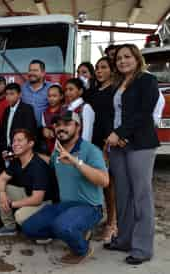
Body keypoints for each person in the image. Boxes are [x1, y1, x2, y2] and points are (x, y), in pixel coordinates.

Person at [22, 111, 109, 264]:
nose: (61, 128)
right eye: (58, 125)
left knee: (62, 227)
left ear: (78, 127)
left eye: (67, 124)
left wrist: (76, 162)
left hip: (90, 207)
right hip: (65, 206)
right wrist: (28, 153)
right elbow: (51, 162)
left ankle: (82, 249)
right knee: (29, 228)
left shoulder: (90, 150)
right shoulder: (57, 152)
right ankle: (76, 230)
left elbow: (104, 181)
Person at [104, 44, 160, 265]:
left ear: (137, 59)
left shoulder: (147, 80)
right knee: (123, 194)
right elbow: (115, 113)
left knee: (141, 196)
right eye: (118, 58)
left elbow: (144, 113)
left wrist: (121, 133)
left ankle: (143, 248)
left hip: (141, 145)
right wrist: (116, 135)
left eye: (127, 57)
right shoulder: (117, 83)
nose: (122, 61)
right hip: (118, 145)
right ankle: (124, 239)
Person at [0, 129, 52, 236]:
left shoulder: (38, 165)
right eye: (14, 141)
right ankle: (10, 227)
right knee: (3, 188)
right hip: (28, 195)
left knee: (20, 216)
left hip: (45, 203)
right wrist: (3, 194)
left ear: (30, 144)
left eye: (19, 140)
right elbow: (1, 179)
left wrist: (11, 204)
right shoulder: (17, 160)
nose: (15, 144)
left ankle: (46, 231)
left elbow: (37, 199)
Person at [86, 57, 117, 242]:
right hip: (94, 142)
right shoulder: (93, 92)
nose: (98, 71)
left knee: (110, 185)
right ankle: (100, 220)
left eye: (103, 67)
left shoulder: (116, 91)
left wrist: (107, 144)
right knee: (96, 184)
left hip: (109, 142)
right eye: (97, 67)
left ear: (112, 70)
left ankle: (112, 223)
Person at [0, 83, 37, 162]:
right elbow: (3, 132)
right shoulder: (6, 110)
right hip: (8, 152)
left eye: (12, 94)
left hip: (22, 152)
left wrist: (18, 151)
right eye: (7, 94)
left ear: (19, 95)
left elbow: (29, 133)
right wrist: (4, 150)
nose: (8, 97)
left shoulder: (27, 109)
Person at [21, 59, 51, 127]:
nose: (31, 73)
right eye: (30, 70)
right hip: (26, 130)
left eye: (35, 70)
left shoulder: (51, 88)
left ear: (43, 73)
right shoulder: (22, 88)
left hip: (44, 130)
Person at [41, 84, 63, 154]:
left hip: (62, 149)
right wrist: (44, 131)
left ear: (61, 96)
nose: (51, 99)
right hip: (48, 149)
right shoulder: (44, 113)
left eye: (54, 96)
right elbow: (44, 128)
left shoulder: (65, 111)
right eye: (49, 96)